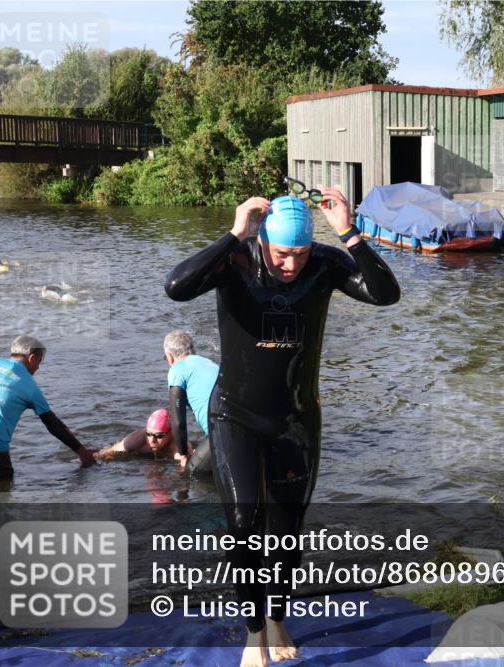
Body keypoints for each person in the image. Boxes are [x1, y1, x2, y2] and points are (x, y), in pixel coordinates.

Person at [165, 188, 399, 666]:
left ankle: (276, 615)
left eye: (299, 254)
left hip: (295, 420)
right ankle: (255, 634)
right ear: (264, 241)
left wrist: (349, 233)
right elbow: (177, 286)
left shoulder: (324, 266)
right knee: (244, 524)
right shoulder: (236, 260)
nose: (291, 265)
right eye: (281, 254)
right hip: (235, 415)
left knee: (286, 533)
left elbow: (385, 294)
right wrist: (234, 233)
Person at [0, 335, 96, 489]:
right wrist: (83, 453)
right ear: (32, 358)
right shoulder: (30, 385)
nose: (38, 368)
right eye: (39, 362)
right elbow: (53, 425)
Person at [162, 330, 219, 474]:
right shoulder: (209, 363)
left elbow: (178, 422)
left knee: (191, 473)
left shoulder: (177, 370)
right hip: (243, 421)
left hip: (221, 430)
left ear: (170, 357)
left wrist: (183, 454)